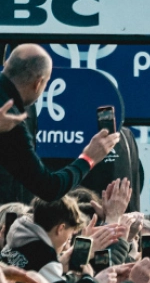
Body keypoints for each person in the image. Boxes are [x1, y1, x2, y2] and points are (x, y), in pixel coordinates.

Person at [0, 45, 119, 205]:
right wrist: (89, 158)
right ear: (38, 83)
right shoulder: (12, 122)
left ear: (7, 65)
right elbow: (49, 187)